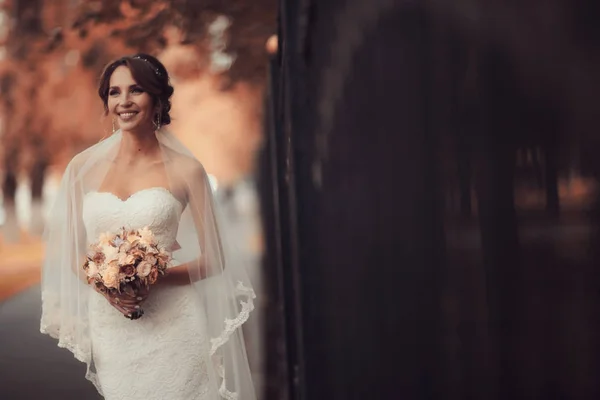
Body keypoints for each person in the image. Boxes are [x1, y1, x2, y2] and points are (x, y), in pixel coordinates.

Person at [40, 54, 257, 400]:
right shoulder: (81, 169)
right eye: (114, 92)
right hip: (112, 326)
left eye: (136, 90)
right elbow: (71, 251)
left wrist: (150, 278)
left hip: (176, 322)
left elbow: (215, 257)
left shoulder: (188, 171)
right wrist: (108, 285)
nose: (123, 101)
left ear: (157, 99)